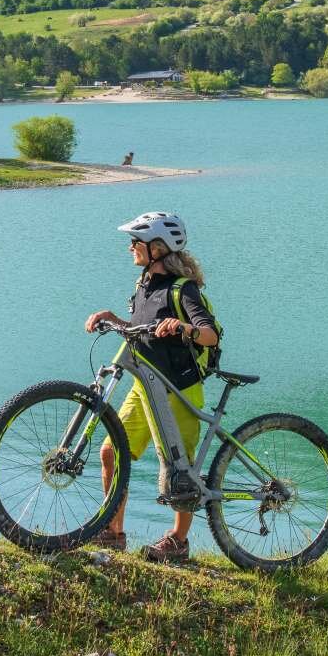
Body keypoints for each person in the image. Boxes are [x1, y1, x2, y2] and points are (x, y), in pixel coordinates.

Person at [83, 211, 219, 563]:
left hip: (177, 389)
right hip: (145, 384)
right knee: (111, 452)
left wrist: (182, 327)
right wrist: (114, 319)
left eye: (136, 242)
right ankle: (113, 532)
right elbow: (144, 326)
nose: (130, 248)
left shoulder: (182, 289)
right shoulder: (145, 284)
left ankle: (179, 540)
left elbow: (209, 333)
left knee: (178, 468)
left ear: (158, 248)